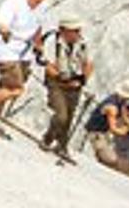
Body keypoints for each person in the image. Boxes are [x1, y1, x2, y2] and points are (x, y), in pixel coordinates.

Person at [0, 0, 53, 123]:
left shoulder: (42, 8)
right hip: (6, 48)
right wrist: (5, 30)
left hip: (24, 52)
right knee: (16, 88)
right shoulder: (14, 3)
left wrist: (39, 46)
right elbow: (1, 23)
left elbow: (37, 28)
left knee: (5, 86)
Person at [38, 17, 93, 154]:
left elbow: (88, 64)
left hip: (75, 82)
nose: (78, 33)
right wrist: (61, 77)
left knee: (69, 116)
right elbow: (48, 65)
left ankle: (62, 145)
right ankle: (47, 138)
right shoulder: (53, 42)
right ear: (64, 31)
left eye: (78, 30)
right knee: (61, 115)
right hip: (56, 82)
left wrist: (82, 80)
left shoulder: (82, 43)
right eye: (75, 30)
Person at [90, 81, 129, 176]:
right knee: (113, 160)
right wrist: (127, 129)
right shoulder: (112, 107)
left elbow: (124, 114)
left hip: (106, 133)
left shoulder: (119, 100)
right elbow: (114, 129)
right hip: (97, 134)